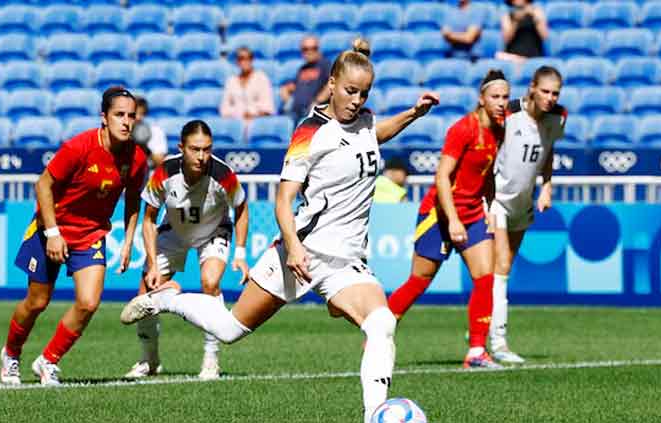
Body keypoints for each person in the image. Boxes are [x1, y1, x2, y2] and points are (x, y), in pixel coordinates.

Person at [121, 38, 438, 422]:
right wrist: (294, 246)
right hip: (300, 252)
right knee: (229, 329)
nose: (357, 100)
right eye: (351, 91)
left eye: (364, 93)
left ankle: (375, 414)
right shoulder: (310, 132)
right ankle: (164, 299)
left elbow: (373, 135)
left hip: (345, 261)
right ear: (332, 83)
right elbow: (283, 200)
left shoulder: (365, 121)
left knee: (383, 323)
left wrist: (413, 115)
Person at [0, 87, 148, 385]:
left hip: (90, 234)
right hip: (49, 228)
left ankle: (47, 361)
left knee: (89, 302)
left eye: (131, 116)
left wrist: (130, 240)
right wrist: (53, 233)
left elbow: (134, 199)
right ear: (103, 117)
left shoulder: (137, 159)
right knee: (37, 302)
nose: (126, 122)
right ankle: (11, 355)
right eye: (119, 115)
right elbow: (43, 186)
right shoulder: (79, 147)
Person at [387, 70, 510, 369]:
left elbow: (488, 175)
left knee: (485, 279)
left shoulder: (500, 129)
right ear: (481, 99)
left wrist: (490, 209)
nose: (501, 103)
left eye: (505, 97)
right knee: (419, 281)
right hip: (439, 213)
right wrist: (452, 220)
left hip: (472, 213)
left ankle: (477, 352)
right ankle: (378, 332)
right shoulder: (462, 129)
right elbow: (441, 176)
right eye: (495, 97)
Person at [124, 120, 250, 381]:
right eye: (195, 149)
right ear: (182, 148)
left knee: (210, 282)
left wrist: (239, 252)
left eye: (207, 149)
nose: (202, 156)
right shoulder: (164, 173)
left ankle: (211, 359)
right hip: (174, 231)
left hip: (214, 232)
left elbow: (241, 208)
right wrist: (153, 265)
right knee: (145, 295)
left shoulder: (223, 174)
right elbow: (148, 219)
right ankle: (150, 360)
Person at [488, 66, 566, 363]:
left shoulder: (558, 118)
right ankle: (499, 341)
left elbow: (549, 152)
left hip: (523, 203)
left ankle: (484, 321)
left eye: (555, 92)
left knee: (502, 269)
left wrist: (547, 186)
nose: (550, 97)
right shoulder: (508, 113)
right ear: (532, 87)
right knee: (502, 266)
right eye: (545, 91)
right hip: (497, 200)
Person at [279, 35, 332, 125]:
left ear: (318, 49)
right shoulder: (302, 68)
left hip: (312, 112)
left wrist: (317, 101)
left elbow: (331, 84)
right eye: (306, 49)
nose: (310, 52)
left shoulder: (325, 65)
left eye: (313, 48)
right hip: (296, 111)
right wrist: (286, 89)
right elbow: (296, 85)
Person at [220, 46, 275, 128]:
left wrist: (252, 112)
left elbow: (267, 107)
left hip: (257, 124)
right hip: (236, 124)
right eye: (241, 58)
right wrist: (241, 112)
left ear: (252, 60)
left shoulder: (261, 78)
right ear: (237, 61)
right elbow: (224, 109)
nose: (245, 61)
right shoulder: (231, 81)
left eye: (248, 58)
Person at [132, 96, 168, 169]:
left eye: (141, 113)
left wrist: (145, 147)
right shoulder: (118, 132)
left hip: (148, 172)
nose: (138, 117)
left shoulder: (155, 131)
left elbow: (160, 163)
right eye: (134, 113)